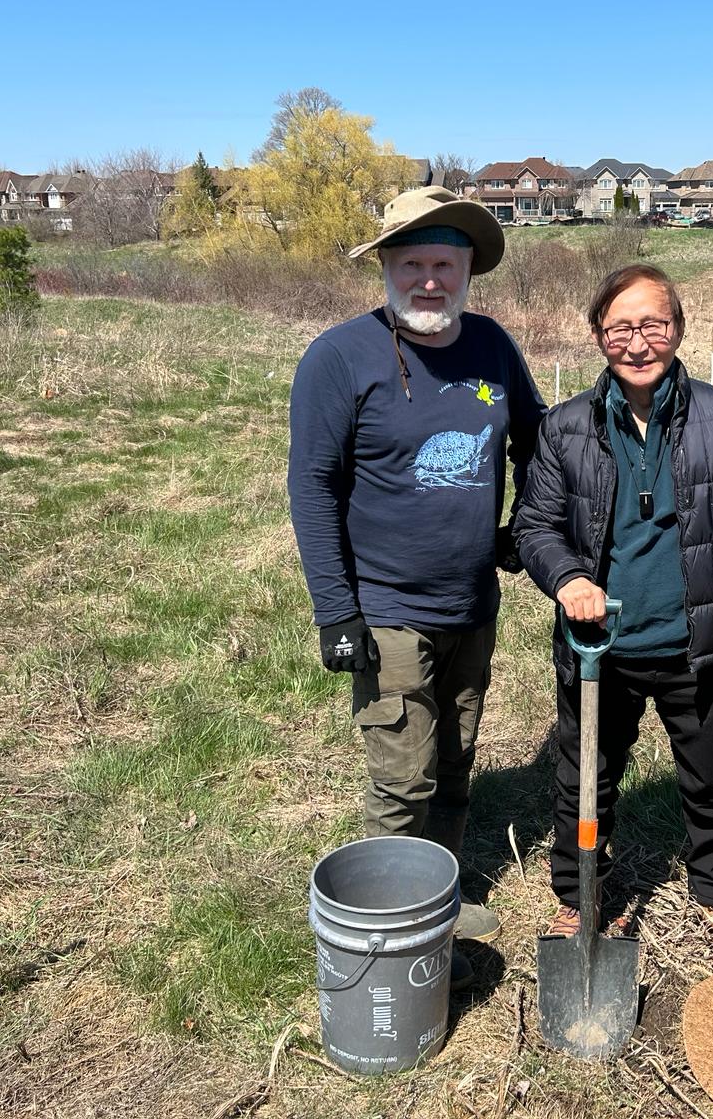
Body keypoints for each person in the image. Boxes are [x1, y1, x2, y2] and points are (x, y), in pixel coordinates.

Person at [513, 264, 713, 948]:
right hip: (597, 647)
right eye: (620, 328)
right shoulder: (566, 427)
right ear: (598, 335)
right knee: (585, 781)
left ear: (679, 329)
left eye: (653, 325)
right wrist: (569, 579)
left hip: (701, 640)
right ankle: (579, 896)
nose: (638, 344)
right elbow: (534, 526)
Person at [288, 186, 545, 983]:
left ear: (468, 268)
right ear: (386, 269)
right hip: (387, 608)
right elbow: (312, 486)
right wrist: (336, 609)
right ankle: (388, 935)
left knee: (457, 758)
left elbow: (538, 445)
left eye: (443, 263)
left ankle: (441, 895)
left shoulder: (494, 349)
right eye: (412, 264)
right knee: (402, 775)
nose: (428, 281)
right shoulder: (339, 358)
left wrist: (522, 529)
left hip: (472, 602)